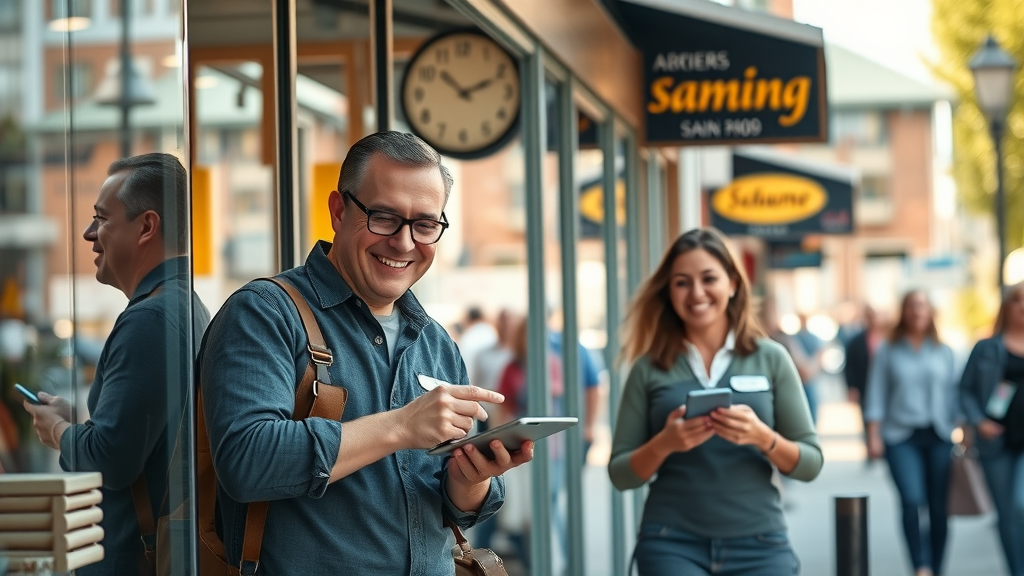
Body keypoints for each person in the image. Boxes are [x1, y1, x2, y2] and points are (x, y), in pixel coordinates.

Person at [198, 131, 533, 574]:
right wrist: (399, 426)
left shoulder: (434, 341)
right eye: (384, 217)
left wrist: (469, 479)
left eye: (425, 225)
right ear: (338, 210)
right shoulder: (264, 312)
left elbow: (448, 509)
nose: (404, 242)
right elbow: (246, 461)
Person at [23, 153, 211, 574]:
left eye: (102, 219)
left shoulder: (151, 320)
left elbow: (110, 459)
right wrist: (79, 426)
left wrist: (56, 431)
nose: (90, 234)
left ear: (146, 226)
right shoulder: (184, 305)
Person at [608, 227, 822, 576]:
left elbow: (810, 464)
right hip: (670, 542)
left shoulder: (771, 358)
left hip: (761, 543)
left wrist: (762, 437)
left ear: (733, 283)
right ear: (669, 291)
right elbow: (621, 474)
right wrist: (665, 443)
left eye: (709, 278)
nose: (696, 293)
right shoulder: (648, 368)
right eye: (682, 282)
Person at [864, 290, 958, 576]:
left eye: (923, 306)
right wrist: (873, 435)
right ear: (903, 312)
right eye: (912, 306)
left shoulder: (944, 350)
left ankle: (937, 567)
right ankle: (920, 565)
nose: (918, 312)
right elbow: (876, 394)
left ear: (931, 312)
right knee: (911, 499)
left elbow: (954, 393)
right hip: (901, 436)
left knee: (940, 508)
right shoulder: (887, 350)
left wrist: (965, 428)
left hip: (939, 434)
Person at [959, 282, 1024, 576]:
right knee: (1008, 514)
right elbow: (964, 390)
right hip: (996, 443)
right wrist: (978, 421)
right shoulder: (987, 348)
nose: (1022, 306)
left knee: (1021, 505)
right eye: (1017, 300)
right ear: (1006, 307)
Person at [843, 304, 888, 455]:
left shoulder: (888, 338)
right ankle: (870, 446)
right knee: (867, 416)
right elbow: (849, 366)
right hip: (864, 386)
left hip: (886, 388)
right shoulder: (856, 341)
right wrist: (851, 387)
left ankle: (884, 445)